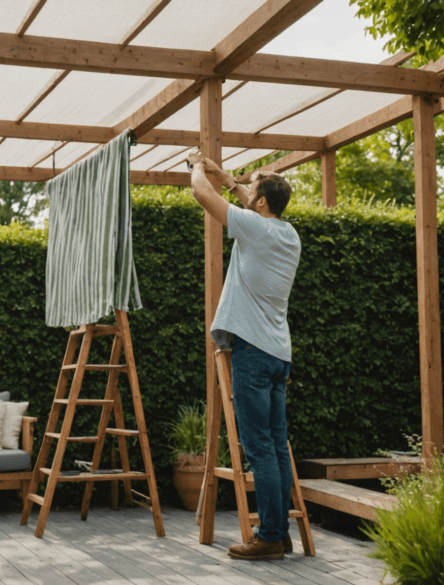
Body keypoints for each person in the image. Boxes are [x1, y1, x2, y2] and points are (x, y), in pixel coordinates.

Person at [187, 151, 301, 561]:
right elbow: (247, 202)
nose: (245, 197)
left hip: (252, 352)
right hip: (278, 354)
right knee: (275, 442)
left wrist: (197, 168)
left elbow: (202, 194)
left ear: (261, 203)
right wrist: (231, 178)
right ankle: (281, 532)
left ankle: (269, 536)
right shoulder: (288, 234)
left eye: (251, 193)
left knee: (259, 448)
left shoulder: (255, 228)